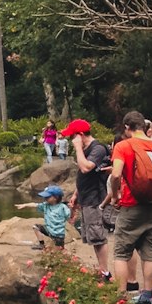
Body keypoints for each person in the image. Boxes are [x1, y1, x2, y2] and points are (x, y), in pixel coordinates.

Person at [108, 110, 152, 304]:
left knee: (121, 254)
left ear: (127, 127)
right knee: (150, 255)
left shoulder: (123, 146)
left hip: (131, 207)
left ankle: (119, 300)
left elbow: (116, 174)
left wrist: (116, 194)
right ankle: (147, 297)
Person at [61, 119, 111, 279]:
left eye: (72, 137)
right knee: (93, 237)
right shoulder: (86, 149)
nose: (71, 141)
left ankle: (105, 273)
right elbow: (83, 175)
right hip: (86, 197)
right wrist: (76, 194)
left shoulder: (98, 149)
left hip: (96, 198)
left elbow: (85, 167)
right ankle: (102, 271)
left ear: (80, 135)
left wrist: (77, 147)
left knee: (98, 237)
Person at [17, 184, 70, 248]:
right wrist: (25, 205)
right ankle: (41, 244)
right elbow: (35, 205)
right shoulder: (45, 205)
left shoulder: (62, 207)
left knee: (59, 251)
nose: (45, 199)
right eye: (45, 197)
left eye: (47, 197)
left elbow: (68, 215)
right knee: (36, 227)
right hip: (49, 230)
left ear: (56, 197)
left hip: (58, 234)